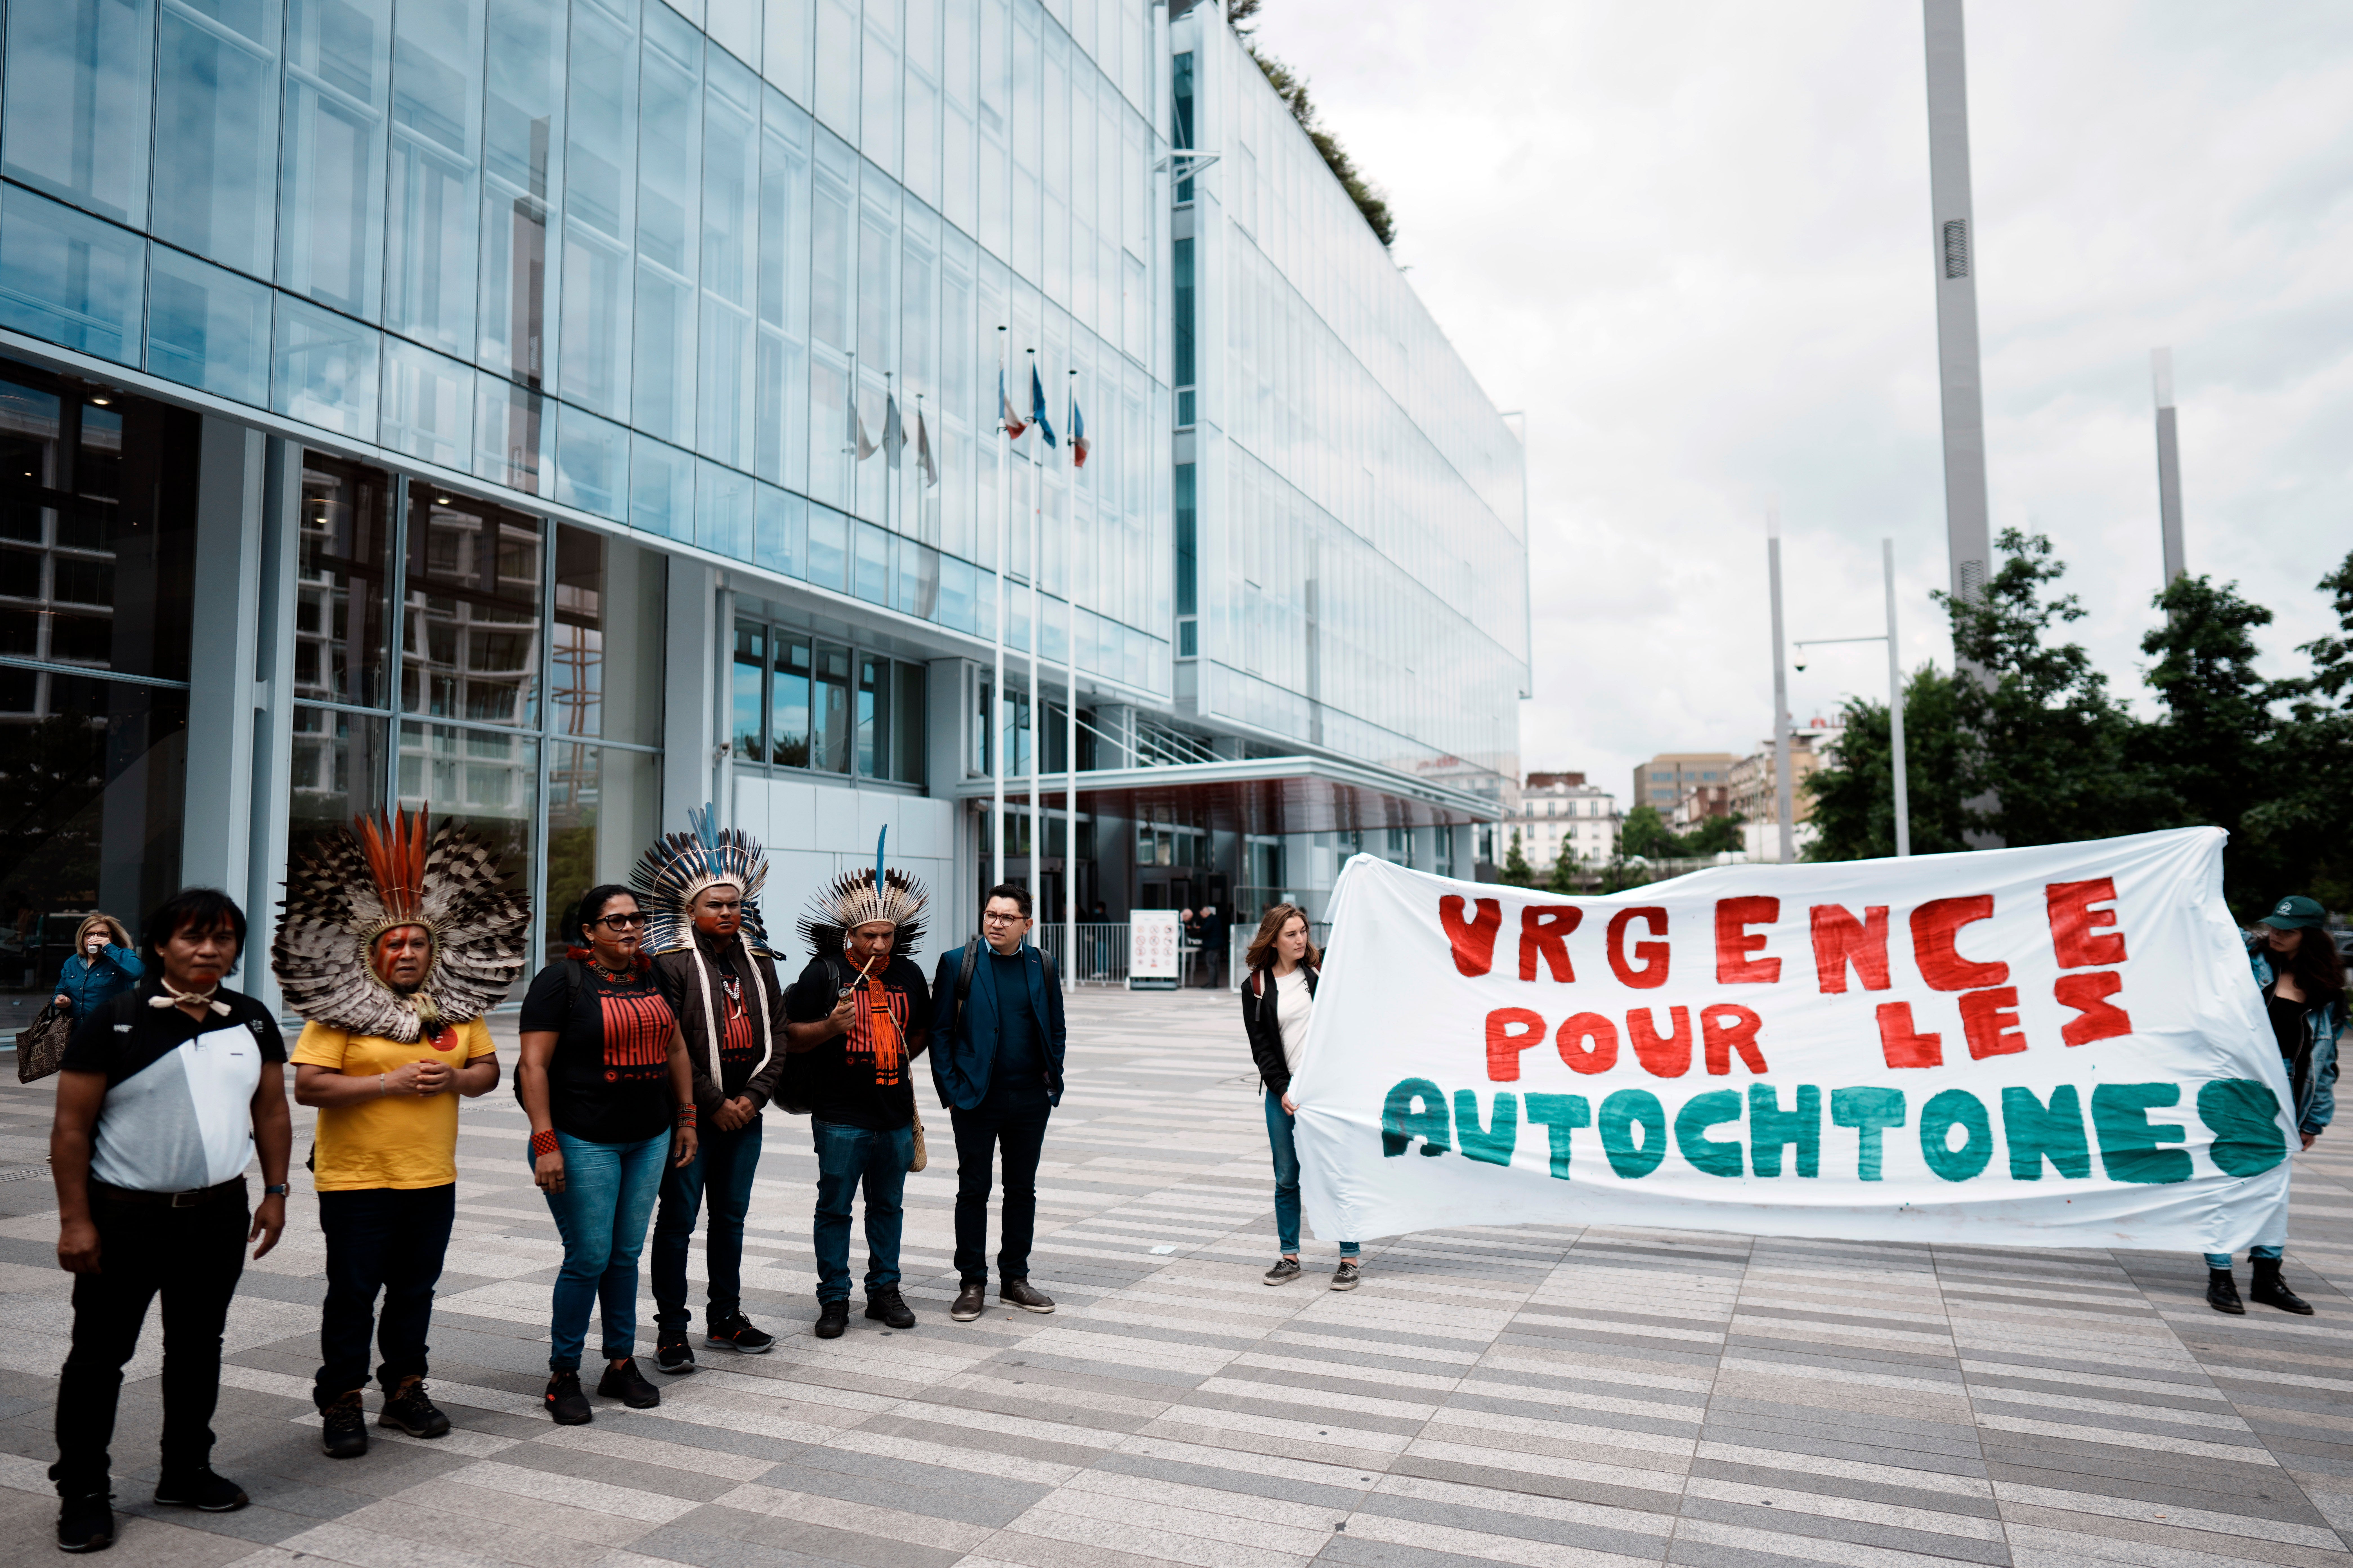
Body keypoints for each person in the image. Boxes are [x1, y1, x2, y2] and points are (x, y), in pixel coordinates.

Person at [275, 809, 530, 1458]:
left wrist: (451, 1082)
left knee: (415, 1290)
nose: (409, 952)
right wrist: (385, 1085)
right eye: (396, 944)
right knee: (354, 1292)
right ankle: (341, 1399)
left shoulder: (453, 1007)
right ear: (373, 952)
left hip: (430, 1175)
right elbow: (307, 1086)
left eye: (418, 943)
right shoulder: (336, 1010)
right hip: (355, 1176)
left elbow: (487, 1072)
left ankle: (405, 1389)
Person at [47, 889, 292, 1554]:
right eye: (192, 937)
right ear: (159, 945)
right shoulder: (117, 1017)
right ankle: (83, 1491)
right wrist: (75, 1220)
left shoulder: (253, 1019)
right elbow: (71, 1128)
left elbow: (270, 1110)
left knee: (196, 1348)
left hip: (216, 1215)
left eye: (221, 938)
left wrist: (275, 1190)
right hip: (123, 1216)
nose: (208, 949)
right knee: (100, 1358)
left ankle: (185, 1471)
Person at [517, 884, 698, 1423]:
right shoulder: (560, 981)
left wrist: (686, 1116)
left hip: (649, 1136)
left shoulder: (651, 973)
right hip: (580, 1138)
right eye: (614, 920)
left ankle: (620, 1362)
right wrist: (545, 1140)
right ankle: (563, 1373)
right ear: (588, 931)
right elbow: (533, 1066)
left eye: (635, 919)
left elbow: (675, 1047)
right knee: (590, 1256)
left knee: (624, 1255)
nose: (628, 928)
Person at [635, 810, 790, 1372]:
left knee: (730, 1219)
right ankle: (671, 1330)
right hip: (691, 1120)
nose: (727, 913)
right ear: (690, 910)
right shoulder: (669, 964)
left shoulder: (760, 962)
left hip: (746, 1116)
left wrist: (752, 1099)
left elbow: (778, 1035)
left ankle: (725, 1318)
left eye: (734, 905)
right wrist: (712, 1103)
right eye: (715, 905)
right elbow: (665, 1041)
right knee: (676, 1222)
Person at [783, 860, 932, 1338]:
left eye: (887, 935)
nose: (879, 945)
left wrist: (896, 1048)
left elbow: (922, 1030)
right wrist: (831, 1026)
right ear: (850, 931)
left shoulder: (909, 974)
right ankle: (833, 1298)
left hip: (893, 1115)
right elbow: (789, 1037)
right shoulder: (823, 973)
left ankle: (884, 1290)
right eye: (870, 935)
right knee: (835, 1207)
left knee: (888, 1206)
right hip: (840, 1115)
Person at [930, 883, 1066, 1322]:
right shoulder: (958, 963)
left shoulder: (1041, 963)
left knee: (1021, 1189)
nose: (996, 923)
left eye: (1007, 917)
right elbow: (940, 1033)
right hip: (976, 1097)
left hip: (1030, 1098)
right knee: (973, 1188)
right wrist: (951, 1091)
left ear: (1027, 924)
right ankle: (972, 1281)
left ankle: (1015, 1279)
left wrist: (1050, 1077)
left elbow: (1056, 1026)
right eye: (991, 914)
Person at [2206, 895, 2341, 1316]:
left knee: (2273, 1189)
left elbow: (2324, 1060)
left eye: (2289, 929)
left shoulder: (2325, 990)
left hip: (2286, 1096)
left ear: (2311, 936)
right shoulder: (2249, 958)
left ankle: (2267, 1276)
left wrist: (2314, 1121)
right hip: (2238, 1090)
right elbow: (2209, 920)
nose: (2277, 934)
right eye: (2275, 927)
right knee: (2228, 1181)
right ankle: (2220, 1275)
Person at [1241, 902, 1361, 1291]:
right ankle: (1289, 1256)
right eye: (1291, 933)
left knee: (1333, 1173)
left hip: (1325, 1092)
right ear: (1273, 939)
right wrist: (1282, 1089)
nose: (1300, 939)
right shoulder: (1256, 987)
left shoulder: (1320, 974)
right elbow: (1262, 1049)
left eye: (1303, 932)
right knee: (1286, 1176)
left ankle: (1349, 1257)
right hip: (1283, 1092)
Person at [54, 915, 144, 1019]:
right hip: (78, 1031)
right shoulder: (73, 962)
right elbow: (60, 991)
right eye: (90, 934)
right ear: (82, 938)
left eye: (103, 934)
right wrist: (59, 1000)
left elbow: (137, 972)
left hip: (110, 1030)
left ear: (112, 938)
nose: (95, 938)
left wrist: (109, 947)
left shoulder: (123, 955)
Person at [1197, 903, 1229, 990]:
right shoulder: (1215, 919)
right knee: (1215, 964)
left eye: (1203, 915)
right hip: (1217, 945)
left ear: (1206, 914)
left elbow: (1205, 930)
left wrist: (1198, 929)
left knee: (1211, 964)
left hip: (1213, 946)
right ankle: (1214, 983)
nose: (1202, 917)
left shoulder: (1210, 920)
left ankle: (1212, 983)